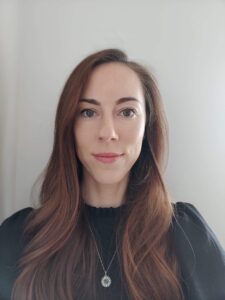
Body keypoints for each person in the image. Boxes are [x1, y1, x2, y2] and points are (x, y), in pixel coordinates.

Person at [0, 48, 225, 300]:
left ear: (147, 125)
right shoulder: (18, 238)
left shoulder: (187, 237)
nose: (108, 132)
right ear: (69, 126)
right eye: (88, 112)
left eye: (127, 112)